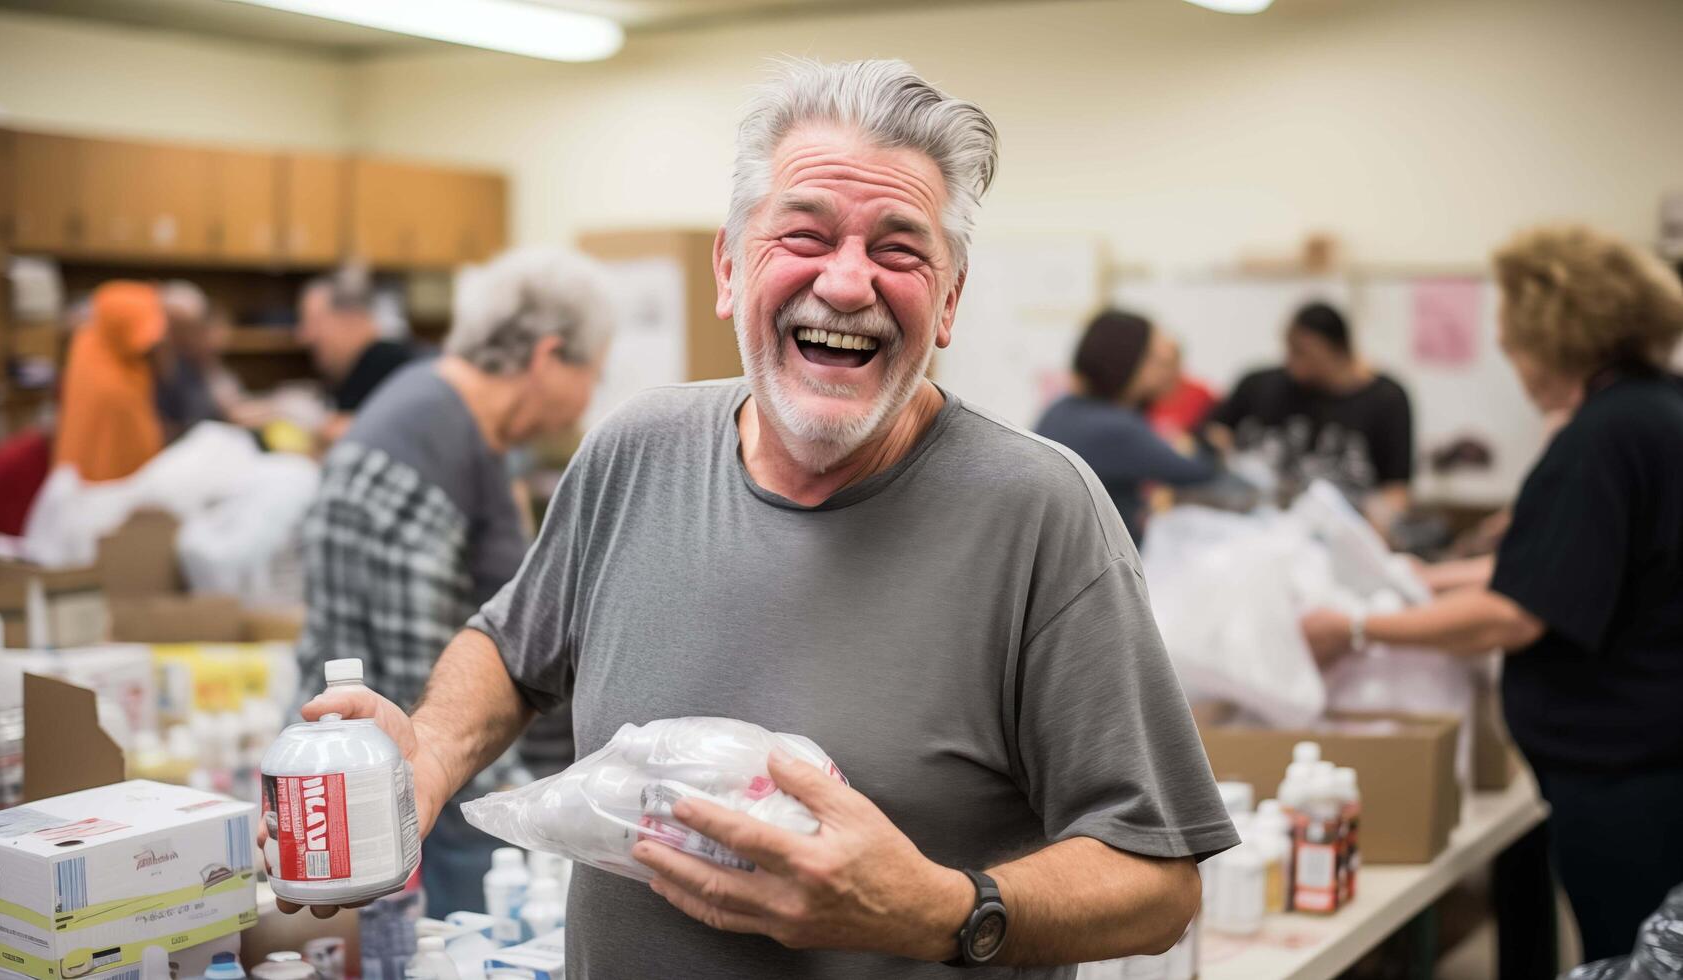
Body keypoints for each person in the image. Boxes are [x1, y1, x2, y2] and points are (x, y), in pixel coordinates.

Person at [278, 59, 1236, 977]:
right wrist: (434, 749)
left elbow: (1156, 880)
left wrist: (944, 911)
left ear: (947, 299)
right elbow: (511, 648)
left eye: (898, 249)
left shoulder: (1040, 513)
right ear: (730, 268)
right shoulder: (636, 449)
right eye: (806, 236)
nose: (848, 283)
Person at [1302, 224, 1683, 963]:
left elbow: (1514, 613)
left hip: (1624, 769)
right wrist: (1425, 579)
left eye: (1510, 343)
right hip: (1650, 748)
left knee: (1629, 948)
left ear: (1557, 331)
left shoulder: (1604, 436)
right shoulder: (1653, 409)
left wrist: (1354, 625)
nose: (1510, 364)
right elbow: (1571, 566)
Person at [293, 246, 615, 918]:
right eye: (593, 371)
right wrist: (537, 843)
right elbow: (428, 705)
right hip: (422, 815)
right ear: (548, 356)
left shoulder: (474, 437)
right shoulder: (418, 447)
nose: (591, 396)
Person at [1208, 300, 1414, 514]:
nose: (1291, 361)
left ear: (1338, 350)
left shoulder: (1386, 400)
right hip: (1253, 518)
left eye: (1301, 352)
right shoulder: (1259, 386)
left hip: (1336, 526)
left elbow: (1396, 490)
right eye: (1289, 348)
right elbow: (1214, 434)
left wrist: (1379, 521)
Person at [1036, 309, 1217, 543]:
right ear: (1128, 361)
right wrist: (1206, 444)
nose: (1172, 373)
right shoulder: (1115, 427)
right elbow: (1199, 471)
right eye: (1158, 360)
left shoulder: (1061, 408)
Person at [53, 280, 167, 482]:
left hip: (76, 483)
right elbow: (139, 457)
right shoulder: (116, 389)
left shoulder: (89, 342)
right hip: (104, 491)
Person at [297, 265, 411, 445]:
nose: (304, 336)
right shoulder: (357, 365)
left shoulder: (386, 361)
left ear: (351, 317)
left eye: (315, 322)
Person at [153, 280, 225, 437]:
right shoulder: (158, 363)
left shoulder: (198, 360)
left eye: (193, 327)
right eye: (179, 327)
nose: (188, 336)